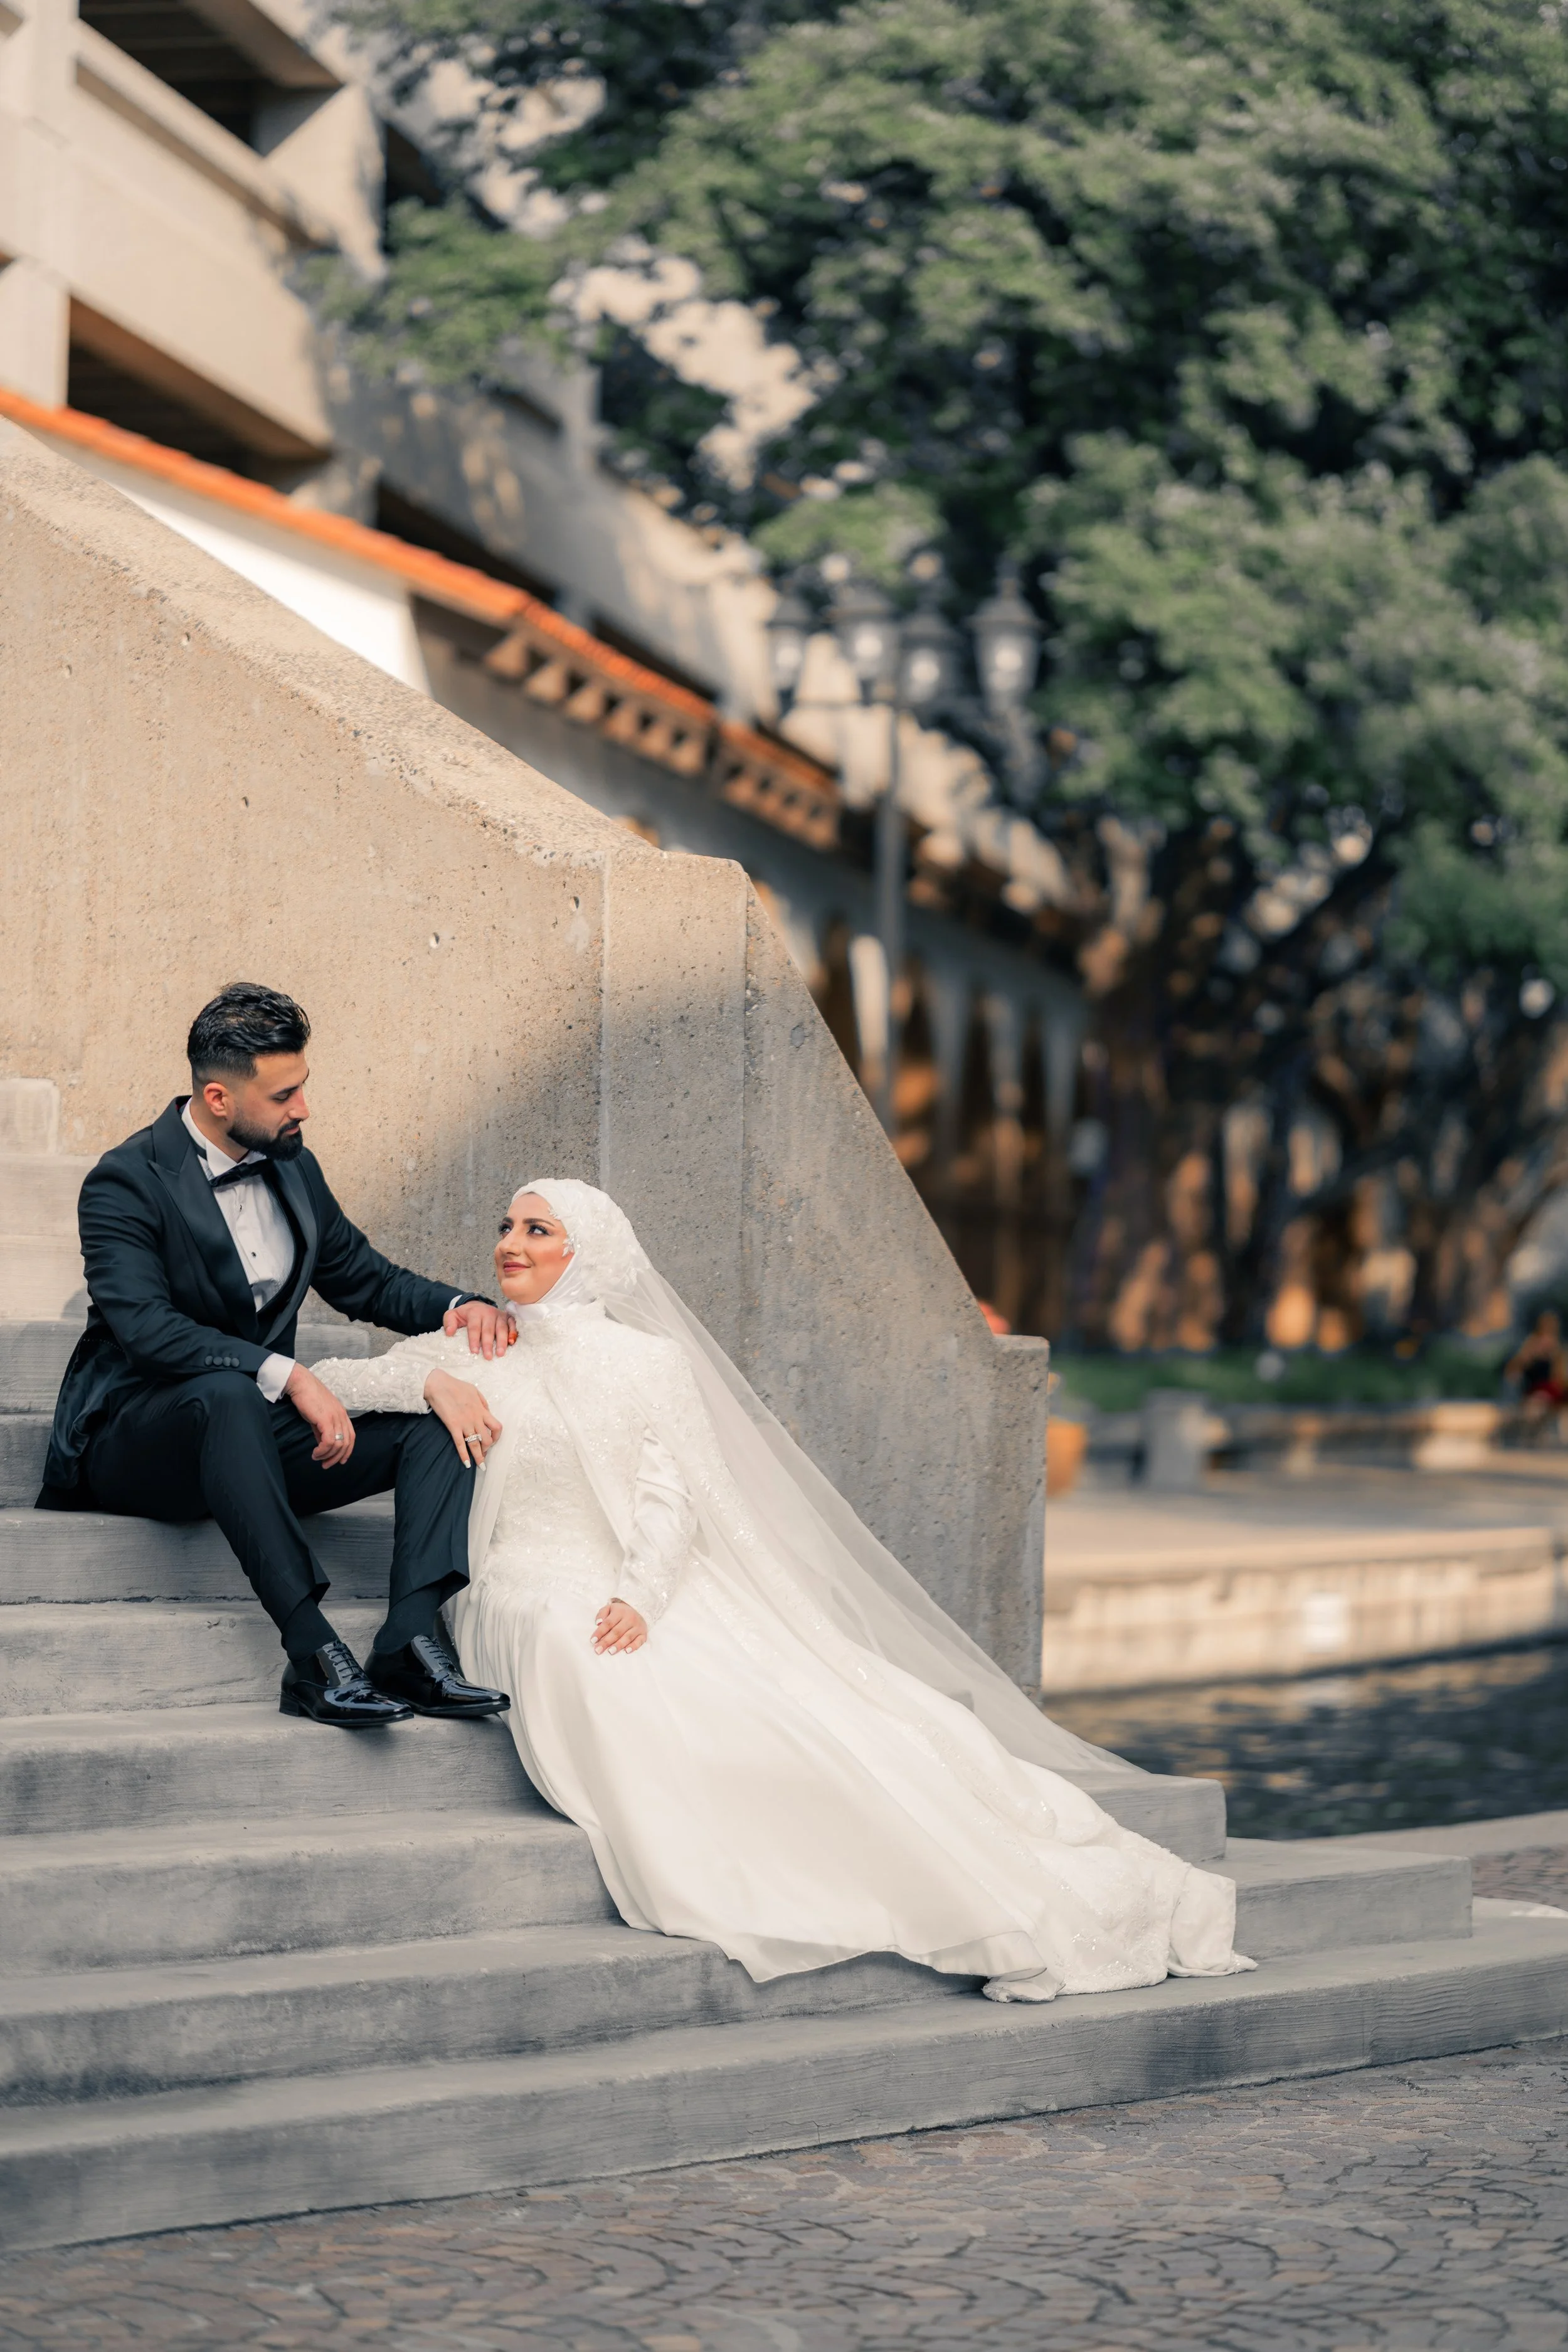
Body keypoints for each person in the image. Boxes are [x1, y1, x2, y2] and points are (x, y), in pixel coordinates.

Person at [309, 1179, 1254, 2004]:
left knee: (787, 1713)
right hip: (516, 1584)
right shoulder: (476, 1342)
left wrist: (640, 1593)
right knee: (597, 1672)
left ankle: (974, 1882)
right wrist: (433, 1377)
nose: (510, 1243)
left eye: (539, 1231)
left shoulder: (648, 1362)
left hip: (629, 1582)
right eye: (507, 1225)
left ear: (587, 1255)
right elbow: (334, 1379)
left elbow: (670, 1493)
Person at [36, 982, 512, 1732]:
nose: (303, 1109)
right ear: (220, 1098)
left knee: (435, 1416)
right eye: (285, 1094)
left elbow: (364, 1277)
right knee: (227, 1394)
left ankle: (409, 1639)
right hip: (138, 1437)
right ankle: (313, 1655)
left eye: (304, 1087)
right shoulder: (126, 1181)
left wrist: (461, 1307)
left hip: (252, 1439)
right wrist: (290, 1375)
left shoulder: (293, 1164)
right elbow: (148, 1331)